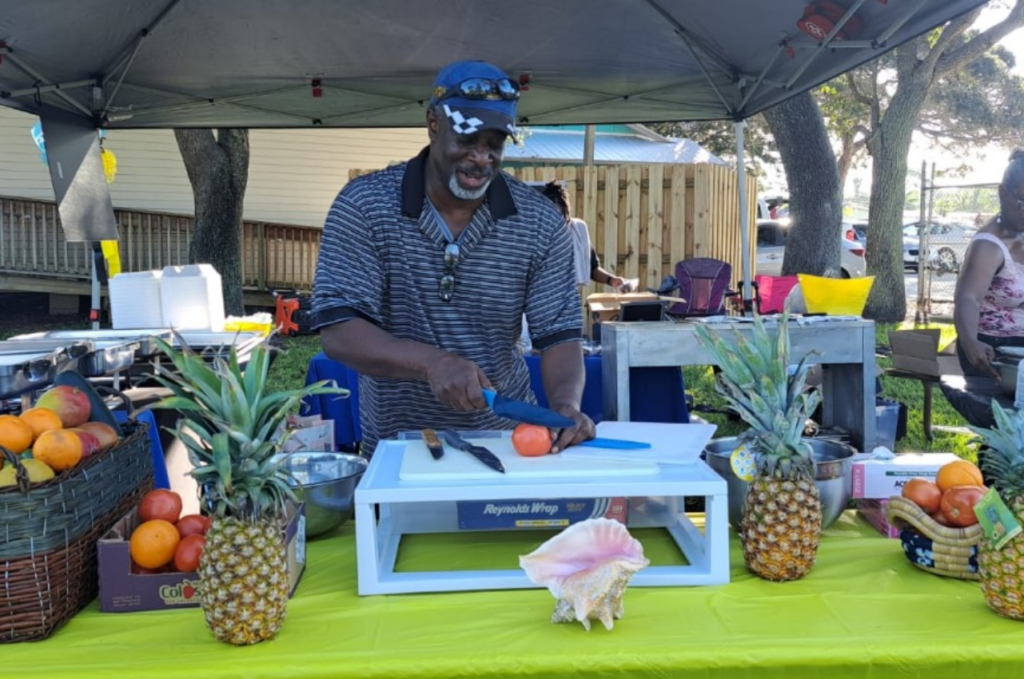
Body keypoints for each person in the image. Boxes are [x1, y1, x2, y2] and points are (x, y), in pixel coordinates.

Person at [311, 60, 595, 456]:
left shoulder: (539, 221)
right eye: (466, 139)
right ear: (432, 122)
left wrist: (566, 406)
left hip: (509, 441)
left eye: (494, 144)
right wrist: (431, 363)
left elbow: (560, 335)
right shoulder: (364, 206)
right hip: (400, 443)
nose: (481, 158)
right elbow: (339, 332)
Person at [953, 150, 1024, 378]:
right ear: (1003, 193)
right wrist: (970, 343)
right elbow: (968, 298)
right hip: (994, 352)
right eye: (1023, 200)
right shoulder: (988, 245)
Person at [539, 181, 627, 291]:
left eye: (562, 213)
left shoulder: (578, 231)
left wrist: (611, 280)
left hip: (570, 301)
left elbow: (592, 268)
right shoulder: (534, 237)